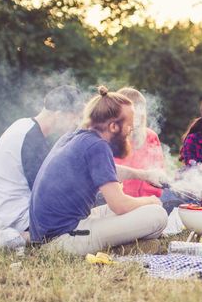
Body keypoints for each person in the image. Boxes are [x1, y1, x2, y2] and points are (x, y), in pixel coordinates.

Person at [29, 86, 168, 255]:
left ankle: (127, 244)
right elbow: (119, 205)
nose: (130, 132)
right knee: (157, 215)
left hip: (51, 232)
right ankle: (123, 248)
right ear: (113, 126)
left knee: (137, 209)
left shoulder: (76, 136)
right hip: (62, 239)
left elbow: (109, 170)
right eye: (129, 127)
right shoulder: (97, 146)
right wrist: (150, 200)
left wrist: (145, 175)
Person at [0, 85, 82, 250]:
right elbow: (46, 192)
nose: (76, 124)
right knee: (82, 214)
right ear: (59, 114)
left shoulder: (25, 127)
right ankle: (18, 238)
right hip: (20, 220)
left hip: (11, 214)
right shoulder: (31, 139)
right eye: (75, 118)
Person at [113, 87, 165, 197]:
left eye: (141, 108)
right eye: (134, 107)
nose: (138, 113)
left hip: (149, 199)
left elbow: (159, 171)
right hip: (119, 199)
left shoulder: (151, 136)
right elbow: (109, 173)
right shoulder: (110, 138)